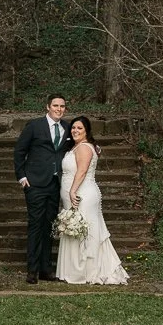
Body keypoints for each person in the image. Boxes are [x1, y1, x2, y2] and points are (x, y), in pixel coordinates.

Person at [56, 116, 129, 285]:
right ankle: (74, 270)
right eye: (73, 128)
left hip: (83, 195)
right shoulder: (77, 147)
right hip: (74, 195)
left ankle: (87, 272)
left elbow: (81, 171)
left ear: (86, 131)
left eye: (79, 128)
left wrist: (72, 191)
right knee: (75, 230)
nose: (75, 130)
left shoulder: (84, 148)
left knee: (84, 231)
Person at [13, 94, 72, 283]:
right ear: (47, 106)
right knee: (36, 225)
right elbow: (20, 151)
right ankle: (32, 270)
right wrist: (22, 176)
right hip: (35, 183)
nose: (59, 109)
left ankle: (46, 269)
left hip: (56, 184)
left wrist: (94, 148)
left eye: (62, 106)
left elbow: (79, 144)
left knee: (50, 226)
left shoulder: (67, 127)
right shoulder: (34, 126)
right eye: (55, 105)